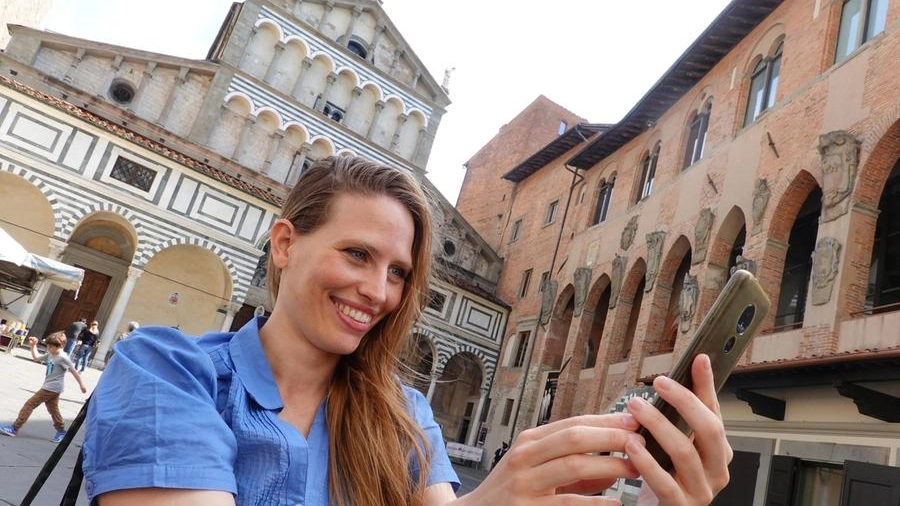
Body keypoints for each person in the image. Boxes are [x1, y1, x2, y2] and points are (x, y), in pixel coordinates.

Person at [83, 156, 732, 506]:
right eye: (358, 255)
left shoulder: (404, 414)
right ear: (285, 242)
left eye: (399, 272)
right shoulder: (165, 367)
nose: (378, 292)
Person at [0, 333, 87, 442]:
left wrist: (81, 385)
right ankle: (61, 431)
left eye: (51, 346)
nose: (48, 348)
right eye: (48, 346)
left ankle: (14, 428)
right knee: (53, 410)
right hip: (51, 387)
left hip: (52, 387)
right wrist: (33, 346)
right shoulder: (51, 354)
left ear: (60, 346)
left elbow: (74, 371)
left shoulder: (63, 357)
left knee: (30, 404)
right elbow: (36, 358)